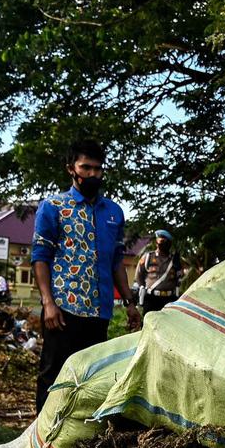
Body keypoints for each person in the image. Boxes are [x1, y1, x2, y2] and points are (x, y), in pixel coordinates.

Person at [31, 139, 139, 412]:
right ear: (71, 169)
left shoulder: (113, 212)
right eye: (86, 167)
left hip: (99, 311)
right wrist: (48, 303)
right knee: (53, 373)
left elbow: (117, 263)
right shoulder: (53, 206)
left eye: (98, 169)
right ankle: (39, 435)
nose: (93, 174)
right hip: (63, 309)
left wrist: (129, 303)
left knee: (90, 376)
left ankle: (75, 435)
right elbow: (40, 258)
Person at [135, 229, 185, 314]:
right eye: (160, 241)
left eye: (165, 242)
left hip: (168, 299)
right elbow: (139, 275)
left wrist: (178, 266)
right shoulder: (148, 257)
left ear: (169, 244)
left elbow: (180, 278)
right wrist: (143, 289)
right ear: (156, 243)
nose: (162, 244)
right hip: (151, 298)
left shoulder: (174, 259)